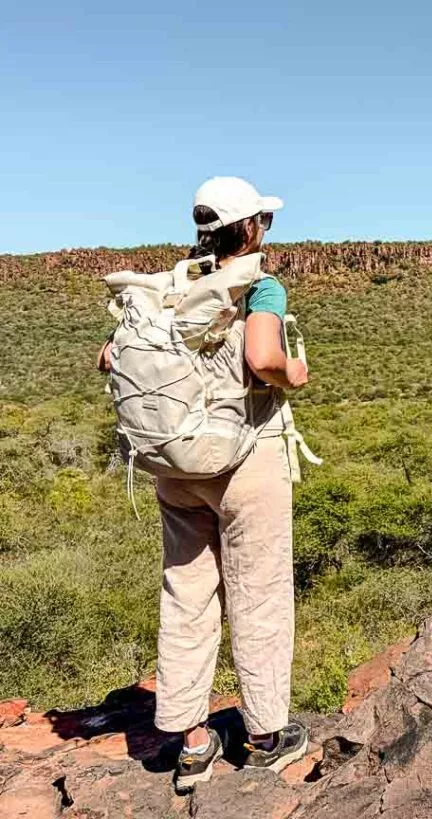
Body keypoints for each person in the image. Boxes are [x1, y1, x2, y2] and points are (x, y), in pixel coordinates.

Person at [97, 177, 310, 791]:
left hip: (173, 466)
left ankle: (191, 741)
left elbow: (110, 358)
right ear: (250, 229)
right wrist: (294, 372)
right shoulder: (258, 283)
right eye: (262, 222)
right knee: (259, 591)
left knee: (186, 593)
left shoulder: (171, 287)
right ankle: (267, 736)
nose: (265, 229)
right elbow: (264, 360)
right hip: (246, 459)